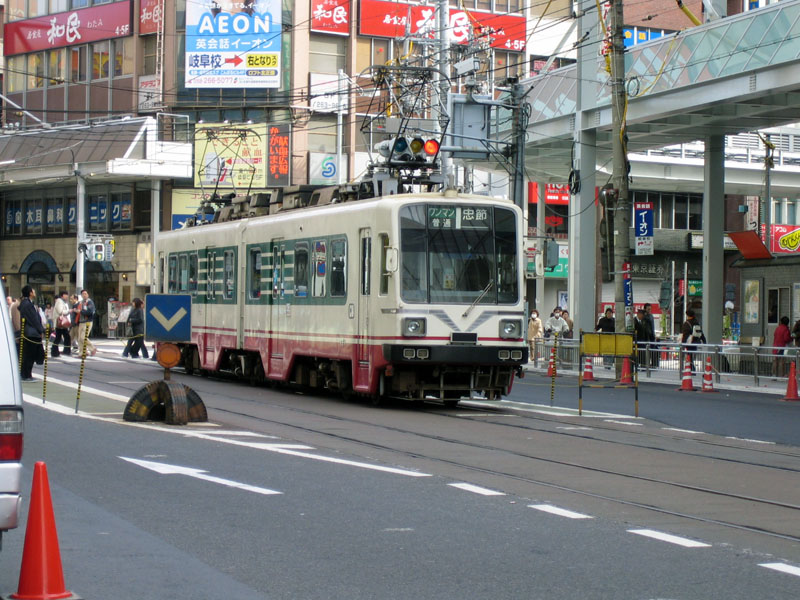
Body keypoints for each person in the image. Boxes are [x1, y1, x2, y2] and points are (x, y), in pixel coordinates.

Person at [18, 285, 44, 382]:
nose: (34, 292)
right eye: (33, 291)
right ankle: (27, 375)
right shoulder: (28, 304)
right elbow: (34, 319)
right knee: (30, 355)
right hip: (31, 333)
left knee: (27, 355)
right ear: (30, 293)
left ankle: (25, 374)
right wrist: (41, 330)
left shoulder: (25, 303)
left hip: (28, 332)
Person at [74, 289, 97, 356]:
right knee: (79, 339)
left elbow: (90, 312)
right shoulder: (81, 302)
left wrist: (80, 311)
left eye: (85, 293)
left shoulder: (90, 302)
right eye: (83, 294)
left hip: (87, 322)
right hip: (81, 321)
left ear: (88, 294)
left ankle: (92, 348)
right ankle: (82, 353)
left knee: (83, 337)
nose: (84, 295)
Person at [52, 290, 72, 357]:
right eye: (66, 295)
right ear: (63, 295)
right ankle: (56, 351)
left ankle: (60, 351)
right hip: (60, 323)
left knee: (62, 337)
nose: (67, 296)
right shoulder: (59, 301)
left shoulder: (61, 301)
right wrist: (69, 311)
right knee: (62, 337)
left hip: (61, 324)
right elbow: (60, 311)